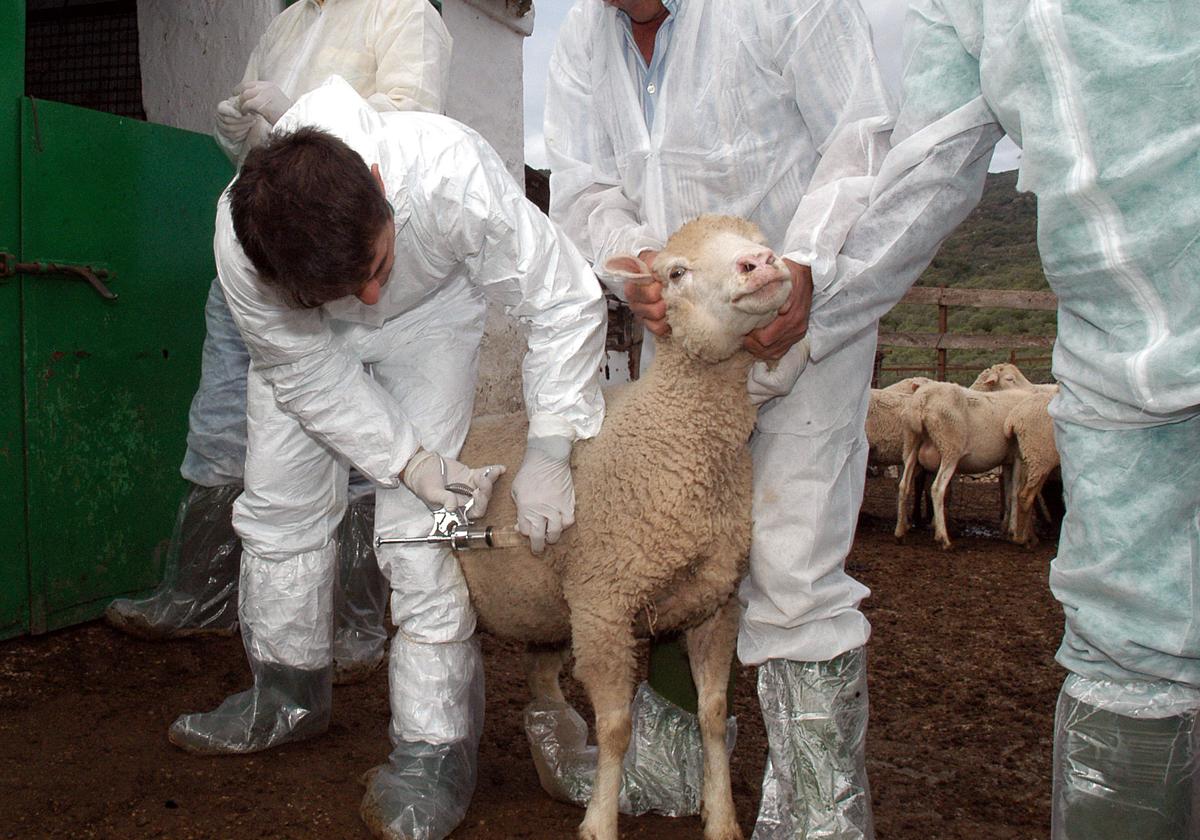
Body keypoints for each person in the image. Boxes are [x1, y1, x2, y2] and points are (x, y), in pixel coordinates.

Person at [167, 77, 606, 840]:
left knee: (422, 535)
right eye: (350, 285)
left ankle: (434, 747)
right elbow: (304, 373)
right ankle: (286, 689)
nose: (369, 297)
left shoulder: (450, 172)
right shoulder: (247, 244)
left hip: (432, 316)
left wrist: (550, 446)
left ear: (376, 183)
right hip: (305, 344)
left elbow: (562, 296)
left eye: (375, 265)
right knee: (279, 503)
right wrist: (406, 455)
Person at [803, 1, 1200, 837]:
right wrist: (805, 306)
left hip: (1123, 342)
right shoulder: (962, 7)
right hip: (1111, 364)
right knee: (1127, 642)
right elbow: (927, 164)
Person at [544, 1, 895, 835]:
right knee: (662, 557)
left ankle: (818, 815)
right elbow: (583, 186)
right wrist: (637, 273)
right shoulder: (581, 41)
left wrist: (806, 263)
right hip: (682, 361)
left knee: (791, 567)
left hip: (798, 331)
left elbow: (860, 135)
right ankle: (670, 779)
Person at [105, 0, 452, 684]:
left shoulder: (401, 11)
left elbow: (412, 126)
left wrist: (298, 113)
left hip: (335, 262)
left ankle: (354, 621)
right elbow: (260, 159)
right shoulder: (287, 23)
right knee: (220, 417)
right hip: (261, 251)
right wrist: (238, 131)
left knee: (354, 434)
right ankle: (199, 593)